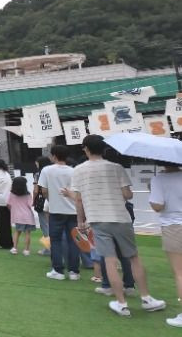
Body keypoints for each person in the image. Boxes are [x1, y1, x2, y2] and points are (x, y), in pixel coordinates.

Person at [71, 135, 165, 317]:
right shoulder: (116, 167)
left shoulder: (78, 170)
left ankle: (121, 304)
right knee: (133, 258)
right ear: (105, 149)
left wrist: (80, 220)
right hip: (121, 217)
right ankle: (146, 298)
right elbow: (128, 195)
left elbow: (78, 199)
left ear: (86, 149)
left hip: (98, 220)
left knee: (110, 260)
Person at [148, 161, 182, 327]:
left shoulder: (159, 179)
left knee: (180, 273)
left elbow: (157, 206)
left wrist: (152, 190)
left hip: (173, 225)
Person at [38, 145, 80, 280]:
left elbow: (44, 190)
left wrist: (51, 200)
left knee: (55, 240)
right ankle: (74, 272)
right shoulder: (73, 171)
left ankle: (58, 270)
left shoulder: (46, 170)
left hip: (56, 210)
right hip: (73, 210)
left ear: (54, 156)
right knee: (73, 240)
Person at [8, 176, 34, 256]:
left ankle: (14, 248)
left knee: (17, 232)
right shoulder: (28, 194)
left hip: (18, 216)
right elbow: (30, 205)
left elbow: (8, 204)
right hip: (28, 216)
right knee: (27, 233)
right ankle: (26, 250)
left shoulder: (12, 194)